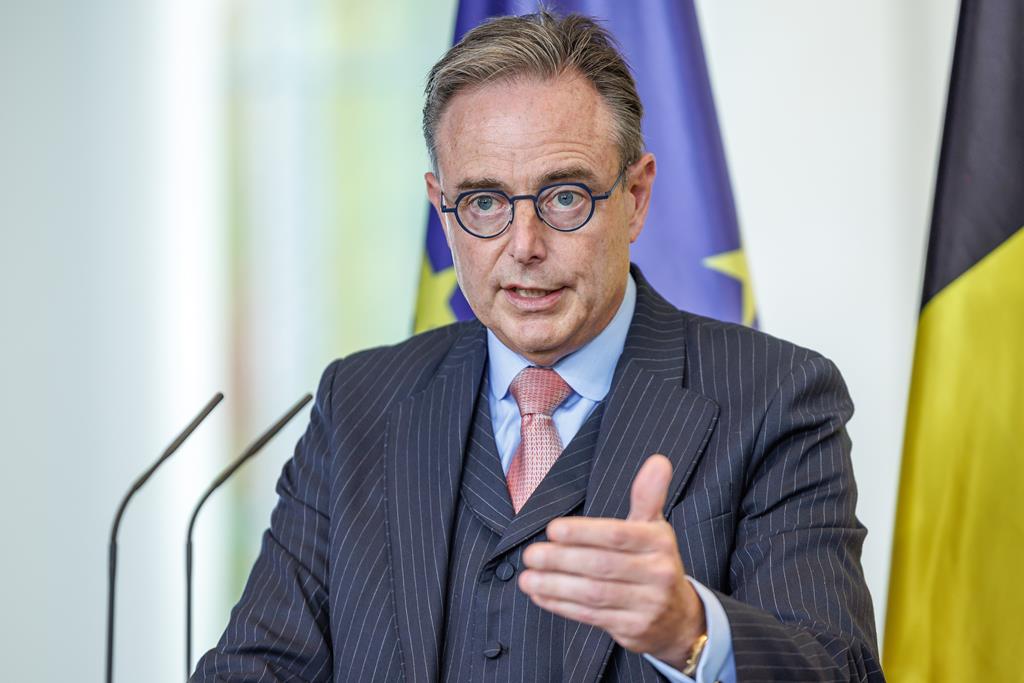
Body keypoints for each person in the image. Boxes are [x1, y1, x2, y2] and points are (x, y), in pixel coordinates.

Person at [193, 11, 883, 682]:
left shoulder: (777, 397)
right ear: (442, 210)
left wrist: (690, 633)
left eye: (564, 196)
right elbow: (255, 666)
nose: (524, 246)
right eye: (485, 202)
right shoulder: (359, 404)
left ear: (636, 196)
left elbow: (839, 669)